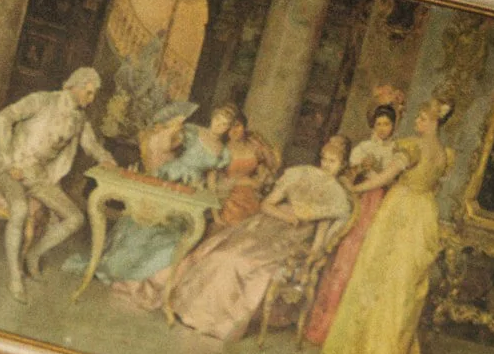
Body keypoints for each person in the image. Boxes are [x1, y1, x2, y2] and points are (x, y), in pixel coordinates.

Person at [117, 135, 352, 341]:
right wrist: (285, 214)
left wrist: (308, 249)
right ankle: (185, 305)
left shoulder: (335, 200)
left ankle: (210, 319)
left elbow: (320, 239)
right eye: (324, 160)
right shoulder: (300, 176)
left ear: (342, 166)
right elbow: (267, 204)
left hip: (289, 242)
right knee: (217, 251)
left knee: (236, 261)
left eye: (332, 162)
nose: (326, 166)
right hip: (263, 227)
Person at [322, 98, 455, 354]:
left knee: (379, 275)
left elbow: (383, 180)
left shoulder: (412, 146)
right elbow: (432, 187)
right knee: (402, 289)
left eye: (422, 118)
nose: (418, 122)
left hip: (401, 210)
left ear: (434, 122)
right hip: (424, 214)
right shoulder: (445, 155)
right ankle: (387, 352)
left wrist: (355, 189)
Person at [0, 68, 115, 303]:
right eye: (89, 93)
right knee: (19, 210)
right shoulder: (42, 100)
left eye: (93, 94)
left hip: (38, 177)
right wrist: (8, 158)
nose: (92, 99)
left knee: (75, 218)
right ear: (75, 87)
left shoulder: (79, 119)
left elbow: (92, 145)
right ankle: (15, 277)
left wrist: (106, 159)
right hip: (11, 169)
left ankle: (33, 255)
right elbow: (3, 117)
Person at [83, 104, 235, 288]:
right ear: (212, 117)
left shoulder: (223, 150)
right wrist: (173, 128)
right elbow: (169, 147)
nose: (219, 125)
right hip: (171, 176)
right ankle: (116, 266)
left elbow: (211, 177)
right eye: (218, 119)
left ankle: (144, 275)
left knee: (174, 228)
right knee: (145, 218)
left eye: (225, 124)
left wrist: (212, 202)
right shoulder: (194, 131)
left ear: (228, 128)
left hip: (193, 185)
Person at [303, 95, 404, 346]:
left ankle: (351, 334)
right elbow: (346, 180)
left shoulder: (396, 150)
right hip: (359, 204)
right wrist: (360, 171)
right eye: (379, 124)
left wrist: (380, 176)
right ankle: (324, 326)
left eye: (387, 125)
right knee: (347, 258)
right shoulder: (361, 148)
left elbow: (394, 181)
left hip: (383, 205)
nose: (383, 129)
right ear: (373, 125)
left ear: (393, 126)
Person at [215, 113, 280, 229]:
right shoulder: (223, 149)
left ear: (244, 127)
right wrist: (241, 182)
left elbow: (272, 166)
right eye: (229, 127)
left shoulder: (254, 146)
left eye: (237, 126)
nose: (233, 131)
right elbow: (217, 179)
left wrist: (263, 147)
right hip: (230, 195)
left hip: (252, 194)